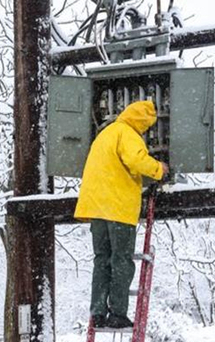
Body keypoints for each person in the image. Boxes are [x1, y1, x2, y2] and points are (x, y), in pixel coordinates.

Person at [74, 100, 169, 329]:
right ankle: (117, 313)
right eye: (146, 126)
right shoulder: (128, 134)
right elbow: (136, 160)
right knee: (121, 261)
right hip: (118, 208)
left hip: (96, 208)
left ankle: (97, 312)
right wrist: (159, 169)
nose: (146, 130)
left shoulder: (105, 135)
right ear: (141, 121)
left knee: (102, 261)